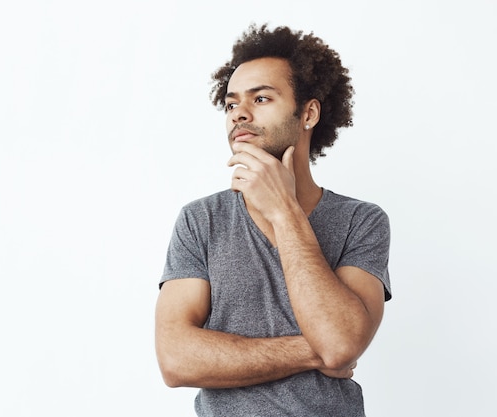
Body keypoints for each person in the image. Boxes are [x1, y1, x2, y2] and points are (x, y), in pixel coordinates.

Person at [155, 23, 391, 417]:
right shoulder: (200, 220)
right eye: (230, 104)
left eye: (261, 98)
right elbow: (175, 360)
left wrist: (283, 210)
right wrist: (311, 352)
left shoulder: (361, 221)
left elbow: (341, 344)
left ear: (309, 113)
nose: (239, 115)